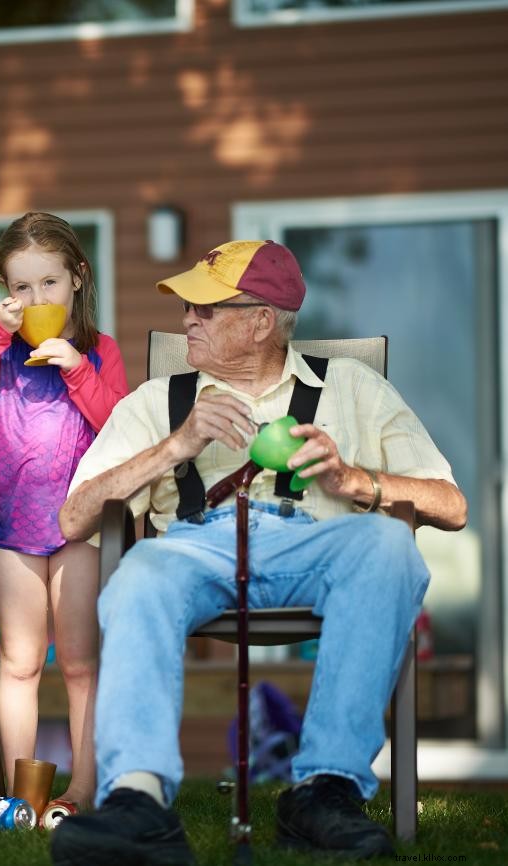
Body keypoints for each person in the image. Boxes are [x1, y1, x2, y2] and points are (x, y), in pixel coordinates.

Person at [50, 240, 467, 865]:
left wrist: (358, 481)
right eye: (188, 308)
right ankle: (137, 801)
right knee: (137, 573)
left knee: (388, 545)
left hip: (322, 544)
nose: (186, 319)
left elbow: (451, 505)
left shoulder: (353, 388)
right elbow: (75, 517)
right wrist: (174, 447)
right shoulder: (158, 401)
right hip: (196, 547)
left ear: (261, 321)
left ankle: (323, 792)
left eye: (205, 309)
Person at [0, 212, 129, 813]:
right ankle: (18, 796)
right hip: (11, 525)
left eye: (48, 283)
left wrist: (77, 371)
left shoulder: (101, 352)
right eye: (21, 287)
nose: (35, 298)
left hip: (81, 528)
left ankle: (82, 789)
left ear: (78, 277)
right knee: (20, 664)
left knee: (79, 664)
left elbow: (119, 426)